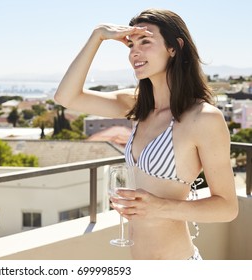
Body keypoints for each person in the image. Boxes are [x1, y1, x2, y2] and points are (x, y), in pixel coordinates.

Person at [54, 8, 238, 260]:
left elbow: (226, 207)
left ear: (174, 47)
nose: (134, 52)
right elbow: (66, 96)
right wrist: (97, 36)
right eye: (131, 45)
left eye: (145, 41)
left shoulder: (203, 118)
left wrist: (159, 206)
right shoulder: (137, 105)